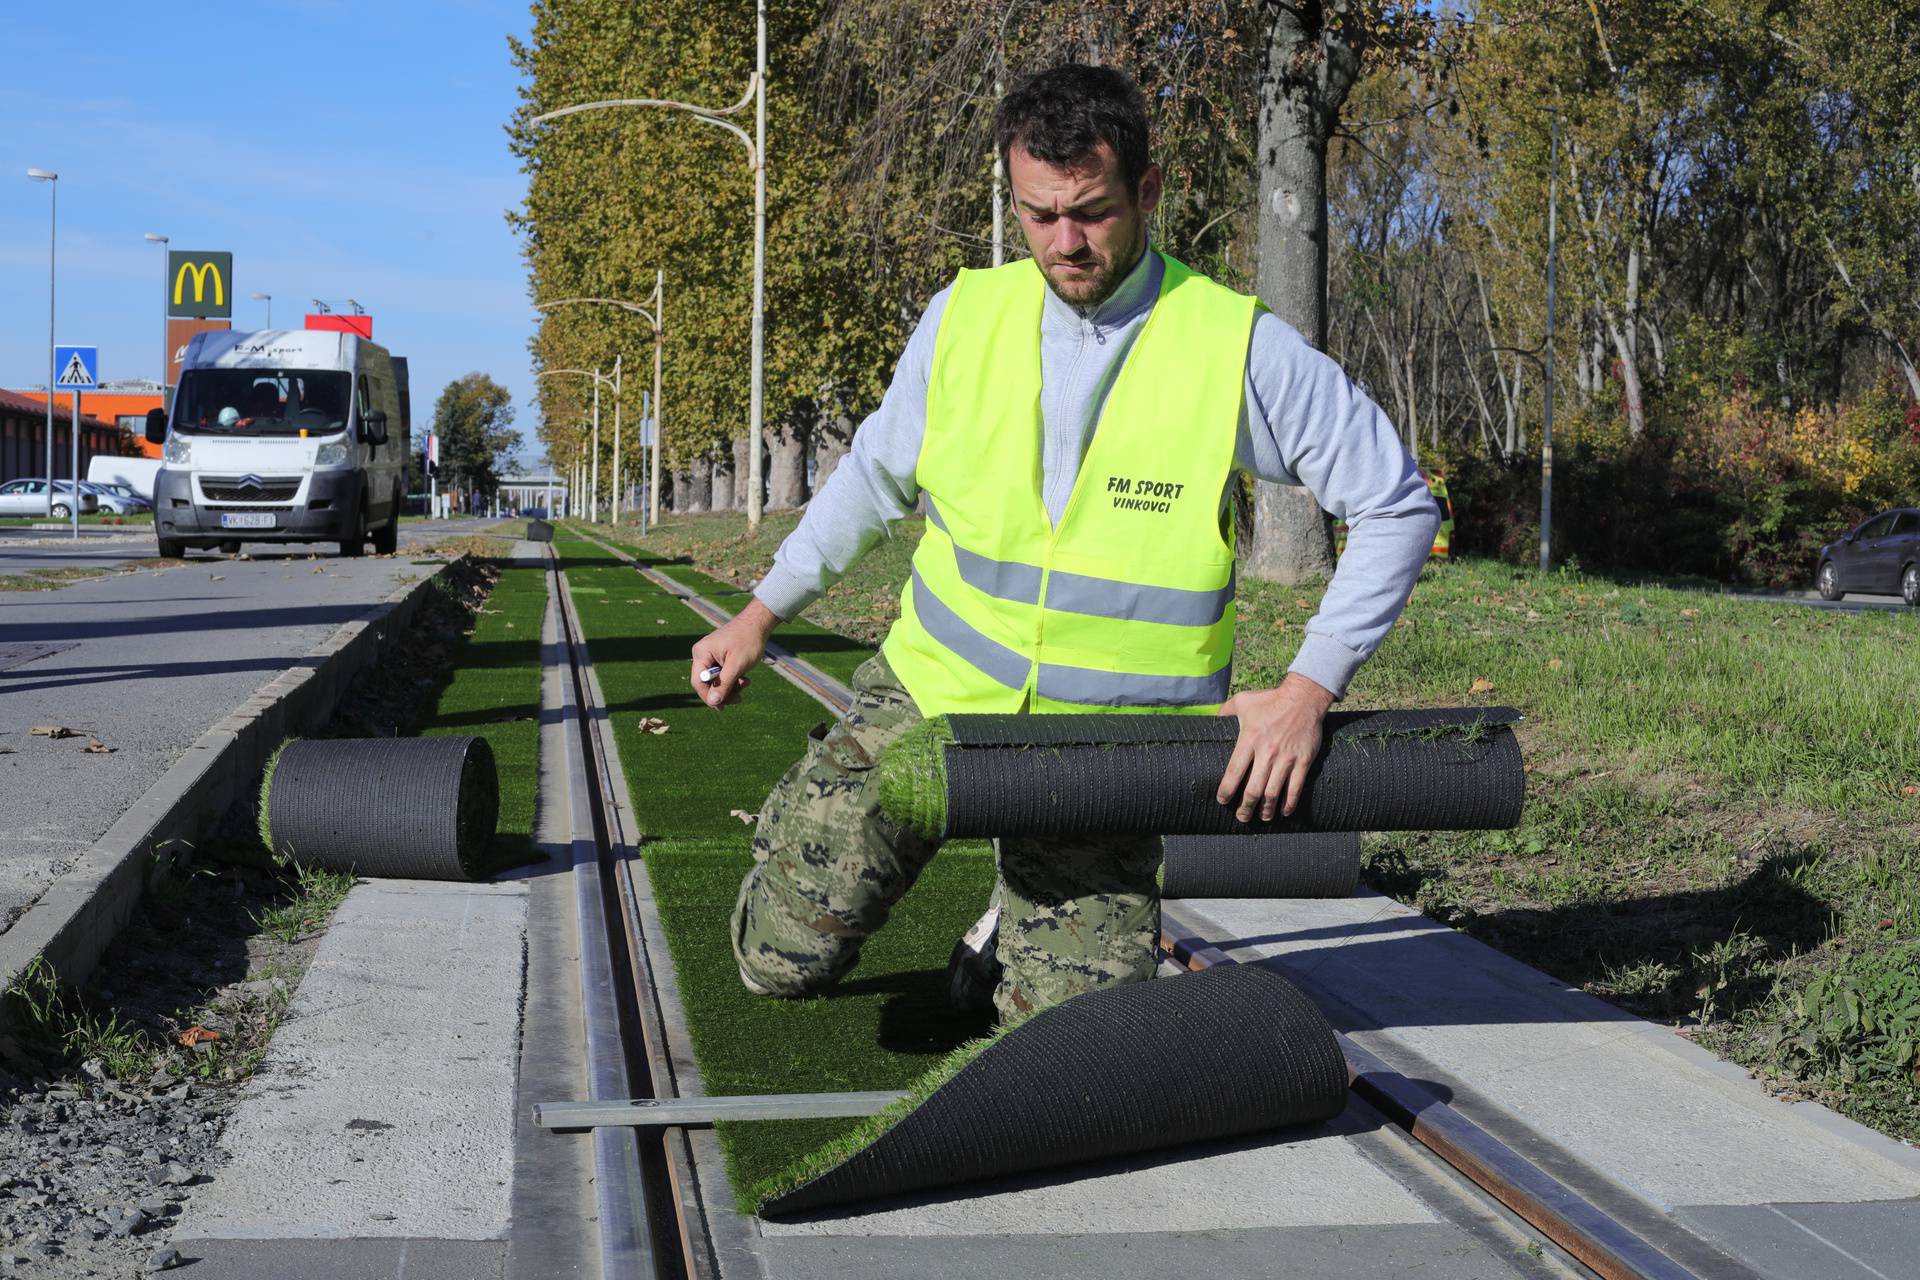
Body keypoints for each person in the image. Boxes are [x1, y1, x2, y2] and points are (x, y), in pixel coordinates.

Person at [691, 63, 1439, 1021]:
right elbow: (874, 475)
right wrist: (758, 614)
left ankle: (1005, 934)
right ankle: (817, 845)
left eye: (1090, 211)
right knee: (775, 965)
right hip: (931, 693)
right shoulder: (964, 316)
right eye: (1038, 215)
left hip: (1102, 752)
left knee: (1077, 1042)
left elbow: (1397, 503)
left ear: (1149, 191)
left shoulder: (1235, 346)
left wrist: (1308, 688)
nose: (1065, 243)